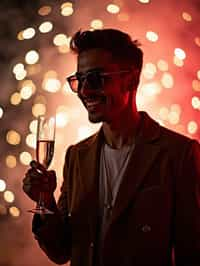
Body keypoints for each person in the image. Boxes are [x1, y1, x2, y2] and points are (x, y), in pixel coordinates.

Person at [23, 29, 200, 266]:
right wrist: (45, 199)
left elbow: (193, 252)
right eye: (79, 81)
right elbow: (61, 250)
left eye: (96, 79)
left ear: (132, 79)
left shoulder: (179, 154)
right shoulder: (76, 156)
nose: (85, 91)